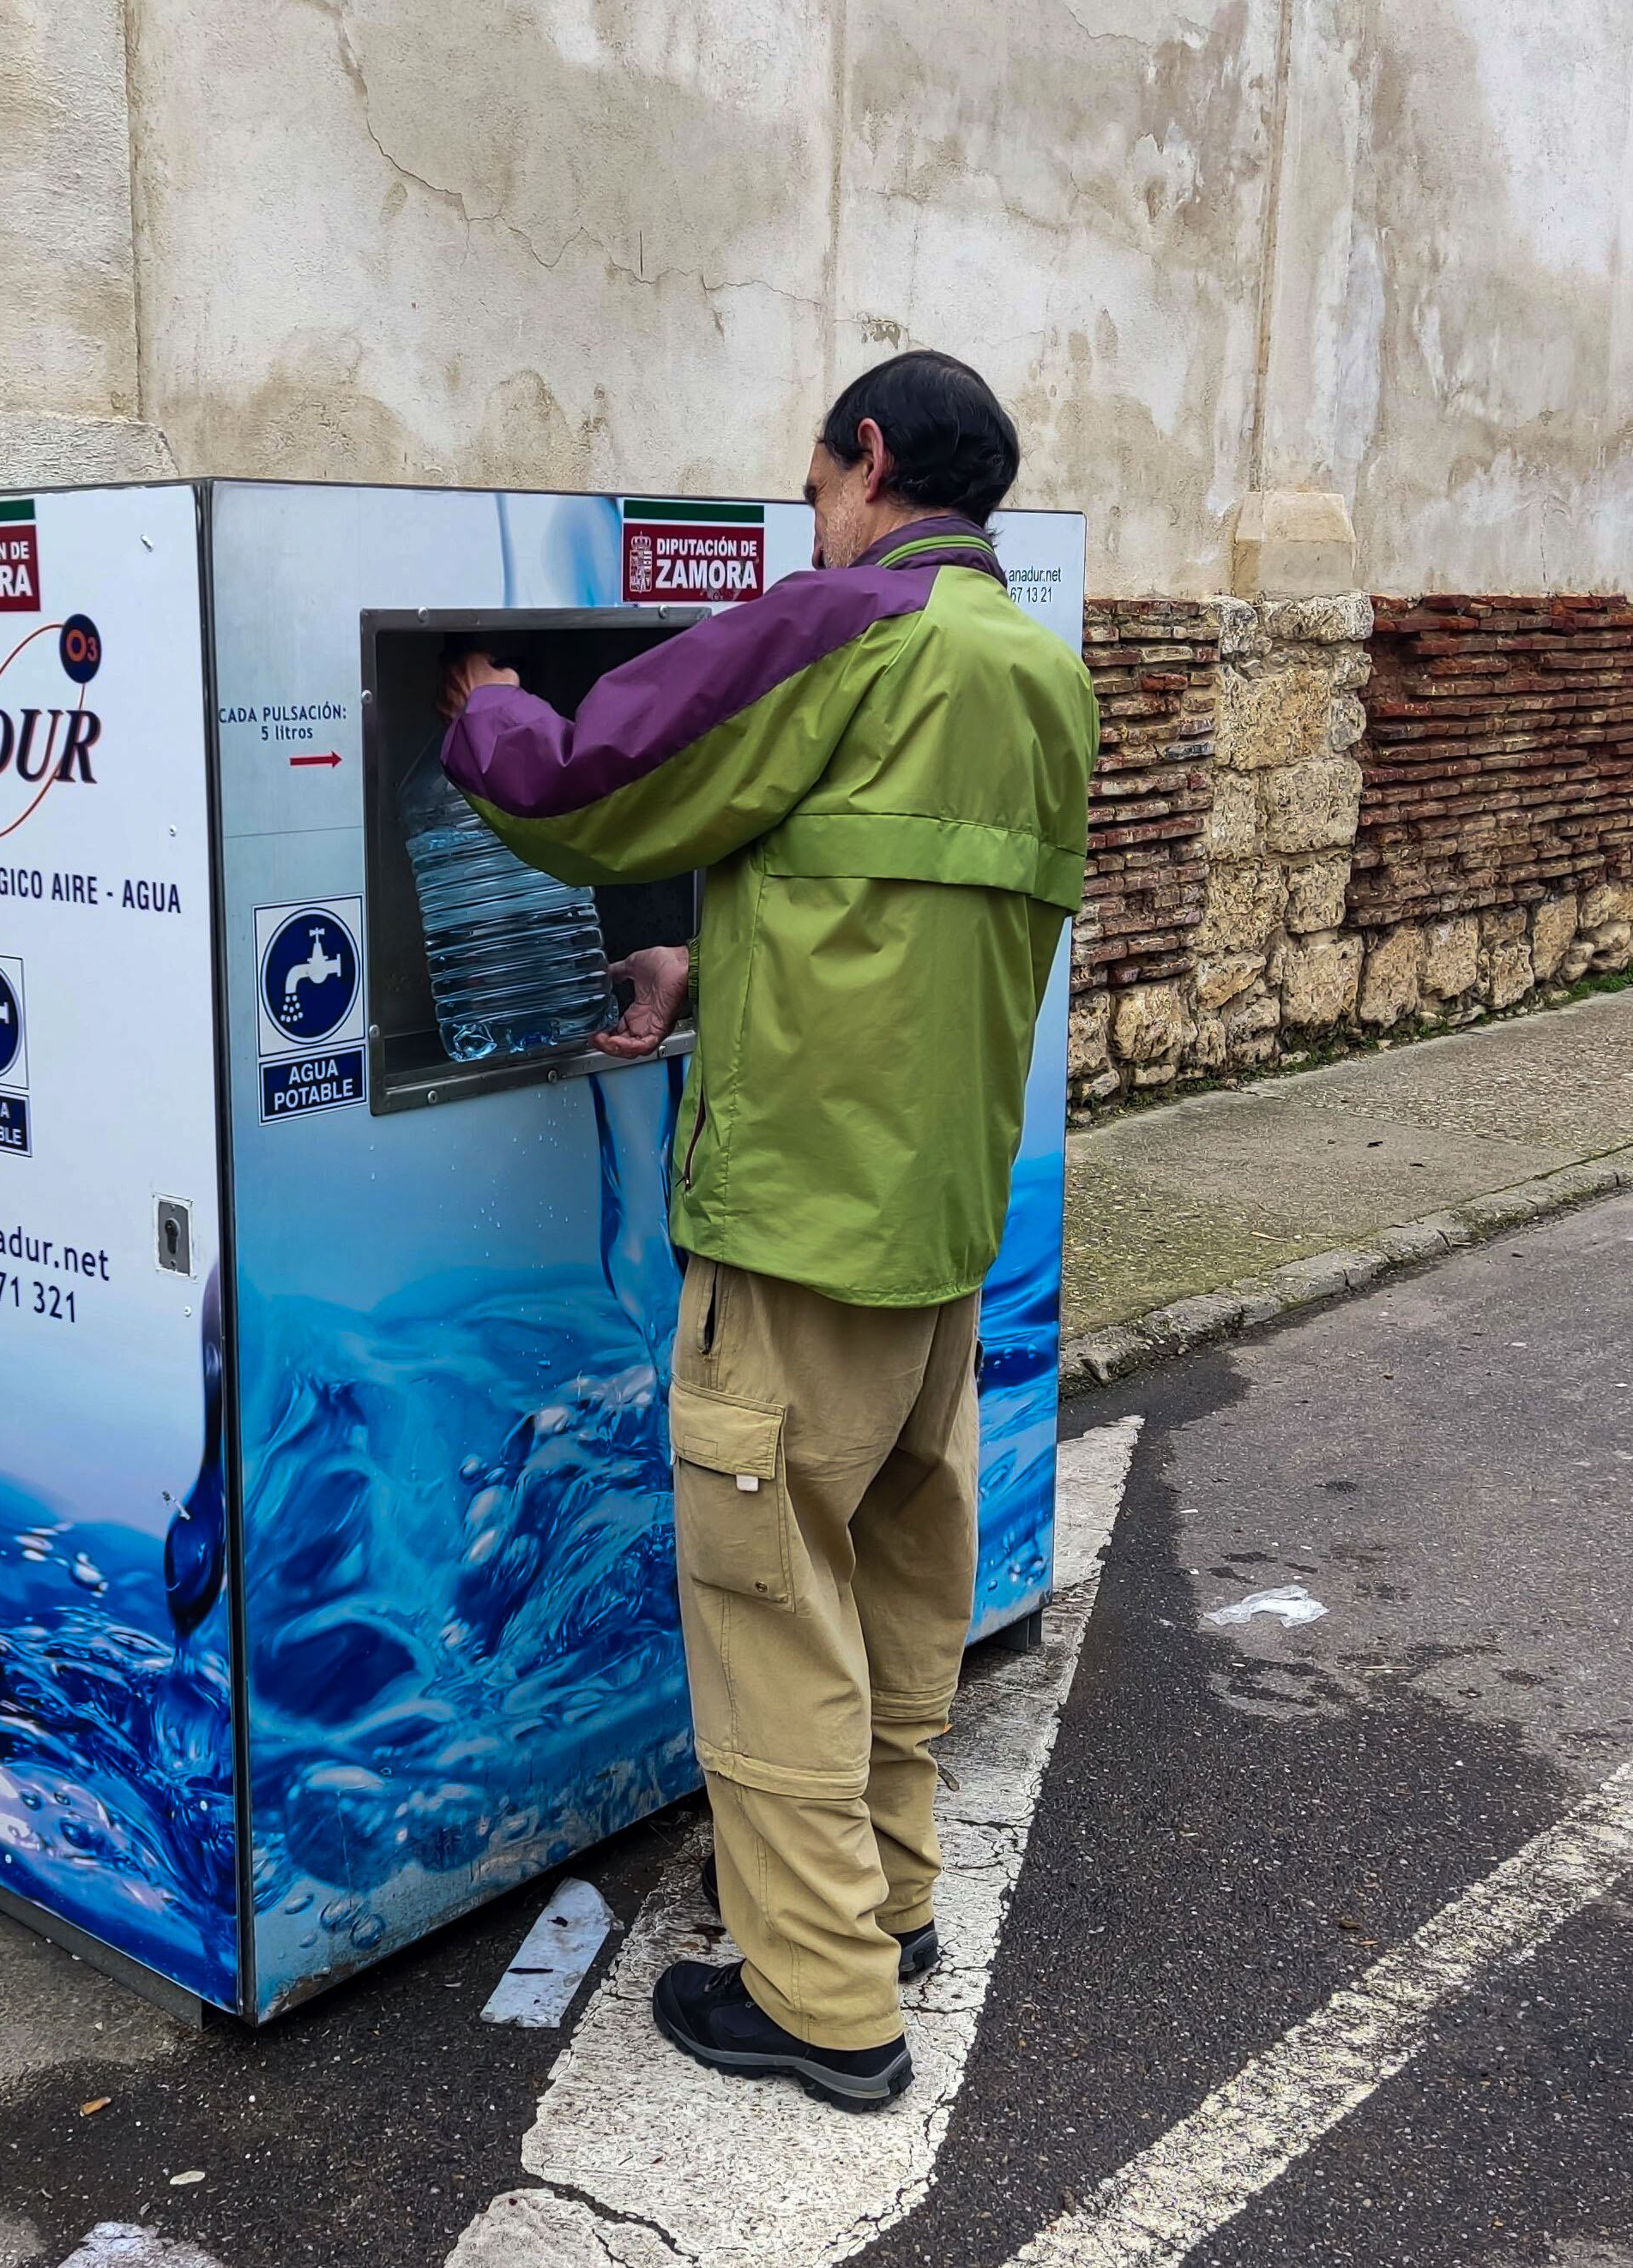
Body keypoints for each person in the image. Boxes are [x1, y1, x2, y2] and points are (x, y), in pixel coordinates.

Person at [437, 349, 1094, 2110]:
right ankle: (882, 1908)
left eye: (810, 485)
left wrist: (480, 698)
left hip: (796, 1241)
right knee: (890, 1590)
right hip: (937, 1238)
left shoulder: (835, 623)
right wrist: (703, 963)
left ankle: (820, 2006)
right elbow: (890, 918)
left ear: (866, 459)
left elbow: (589, 787)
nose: (806, 517)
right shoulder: (1036, 671)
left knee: (767, 1611)